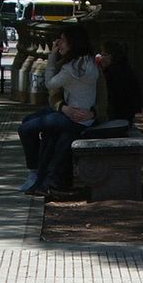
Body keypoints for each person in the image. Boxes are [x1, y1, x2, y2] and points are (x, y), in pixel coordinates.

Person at [18, 23, 99, 196]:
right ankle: (39, 174)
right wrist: (63, 108)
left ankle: (35, 171)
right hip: (71, 113)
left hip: (75, 119)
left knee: (25, 128)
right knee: (30, 123)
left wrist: (52, 57)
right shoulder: (88, 61)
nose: (58, 44)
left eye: (62, 40)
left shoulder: (73, 68)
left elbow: (50, 84)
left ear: (72, 43)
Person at [96, 40, 140, 124]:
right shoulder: (120, 68)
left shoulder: (116, 71)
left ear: (113, 56)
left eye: (104, 55)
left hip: (119, 114)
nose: (101, 58)